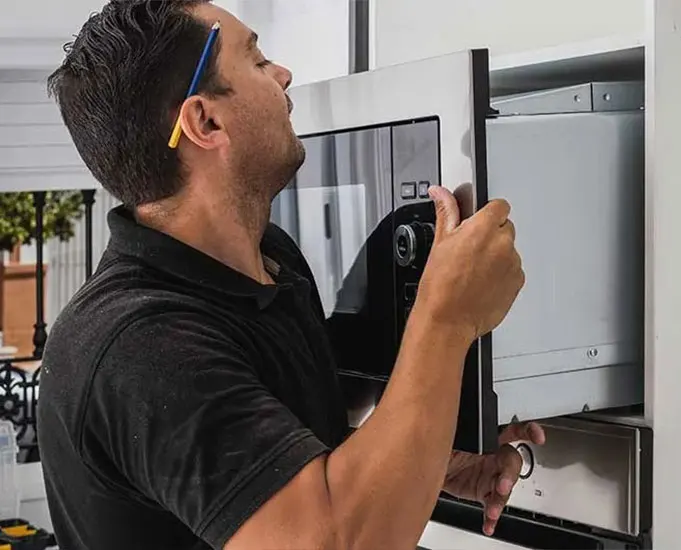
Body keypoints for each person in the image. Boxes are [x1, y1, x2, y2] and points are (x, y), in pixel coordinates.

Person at [36, 1, 544, 549]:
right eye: (256, 60)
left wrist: (427, 462)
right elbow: (330, 542)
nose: (283, 74)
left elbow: (292, 443)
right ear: (206, 122)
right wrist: (446, 318)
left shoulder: (266, 258)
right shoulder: (139, 347)